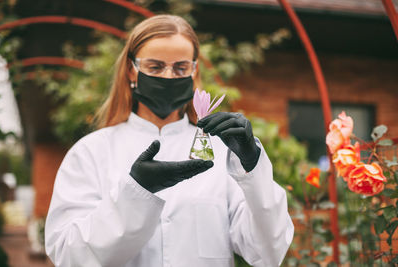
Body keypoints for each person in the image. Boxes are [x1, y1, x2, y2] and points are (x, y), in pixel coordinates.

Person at [45, 14, 294, 267]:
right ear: (132, 70)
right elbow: (68, 255)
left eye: (180, 68)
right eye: (155, 67)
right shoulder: (91, 152)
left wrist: (252, 166)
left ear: (193, 71)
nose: (168, 77)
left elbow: (267, 253)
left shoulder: (220, 152)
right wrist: (136, 192)